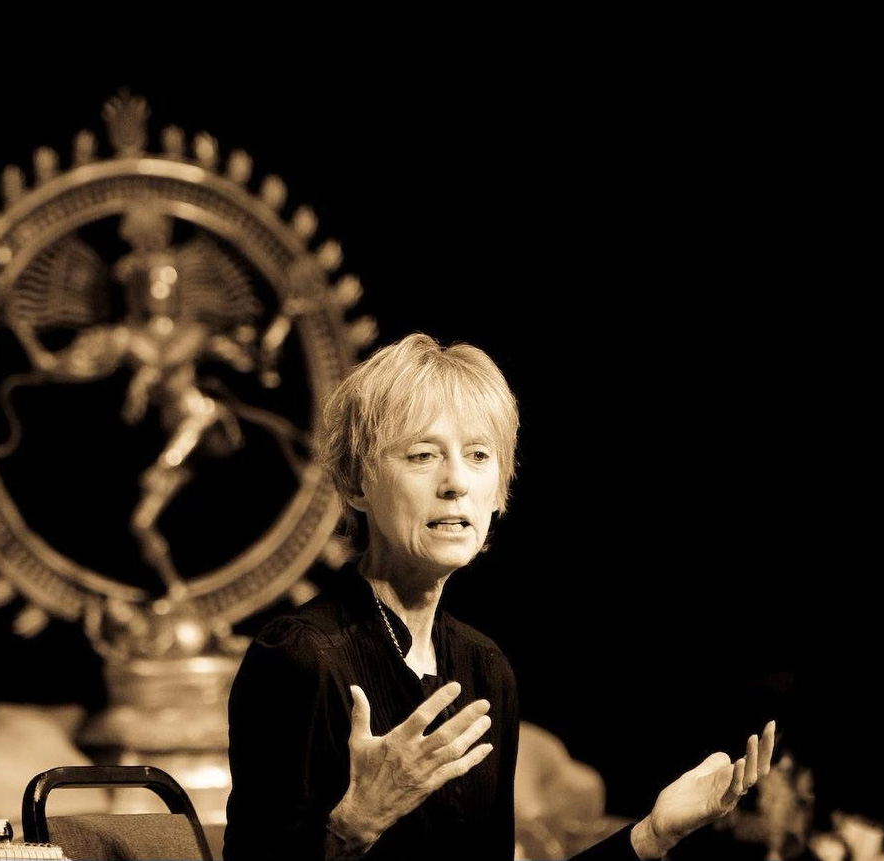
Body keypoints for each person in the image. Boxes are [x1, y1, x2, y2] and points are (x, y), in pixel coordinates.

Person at [224, 332, 776, 860]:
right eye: (422, 455)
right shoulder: (301, 657)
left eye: (478, 455)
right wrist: (352, 827)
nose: (456, 483)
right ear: (354, 484)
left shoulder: (484, 668)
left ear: (499, 492)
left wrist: (651, 835)